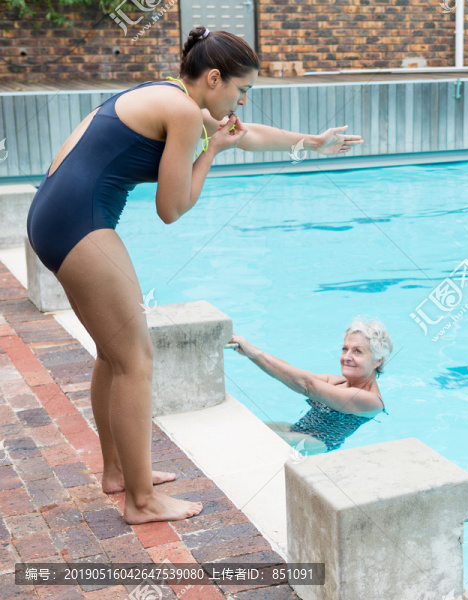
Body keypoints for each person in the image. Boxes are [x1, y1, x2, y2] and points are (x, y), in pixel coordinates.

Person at [25, 26, 363, 524]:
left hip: (53, 213)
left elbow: (244, 135)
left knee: (113, 352)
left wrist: (309, 142)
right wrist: (211, 153)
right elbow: (171, 207)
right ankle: (141, 502)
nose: (243, 103)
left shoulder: (169, 94)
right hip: (78, 222)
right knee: (136, 358)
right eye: (242, 91)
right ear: (213, 78)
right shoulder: (184, 113)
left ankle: (118, 472)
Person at [229, 317, 392, 453]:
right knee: (243, 428)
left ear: (378, 361)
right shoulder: (337, 381)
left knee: (257, 441)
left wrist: (255, 353)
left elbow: (306, 385)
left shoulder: (371, 400)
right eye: (345, 349)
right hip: (297, 430)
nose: (347, 357)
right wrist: (250, 353)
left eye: (358, 351)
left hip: (319, 443)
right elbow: (292, 372)